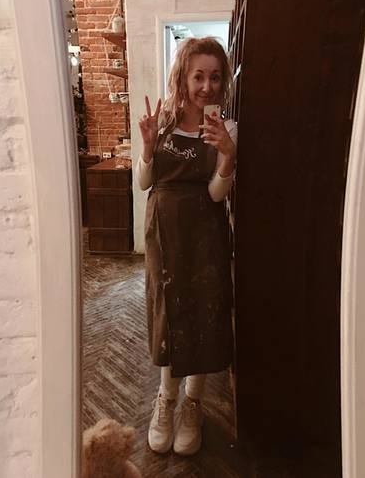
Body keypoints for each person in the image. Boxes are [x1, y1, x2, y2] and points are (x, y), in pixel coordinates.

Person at [136, 37, 238, 456]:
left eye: (215, 77)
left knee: (204, 311)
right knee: (169, 311)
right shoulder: (160, 122)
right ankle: (166, 400)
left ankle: (192, 404)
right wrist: (146, 147)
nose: (206, 86)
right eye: (198, 76)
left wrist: (228, 155)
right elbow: (144, 182)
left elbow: (216, 194)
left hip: (205, 234)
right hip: (163, 234)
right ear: (184, 77)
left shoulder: (228, 129)